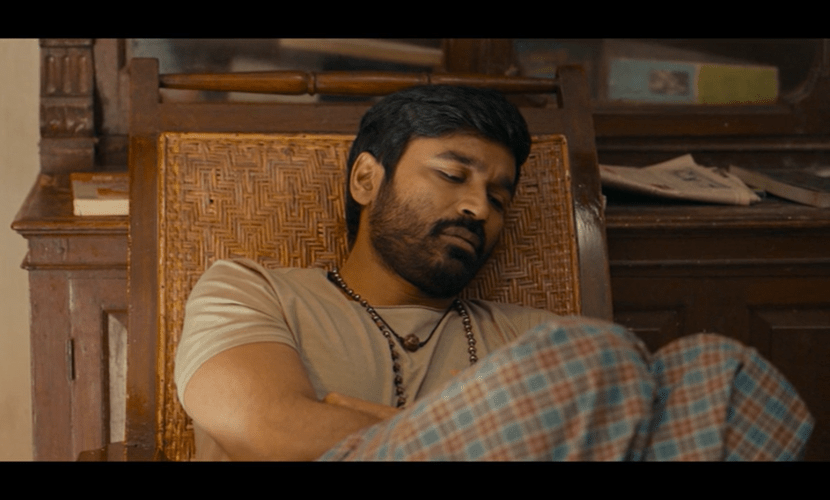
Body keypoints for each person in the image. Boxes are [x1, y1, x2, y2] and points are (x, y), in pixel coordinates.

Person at [174, 85, 814, 461]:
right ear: (367, 179)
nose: (478, 208)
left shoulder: (534, 337)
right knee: (600, 357)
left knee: (723, 371)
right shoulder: (253, 289)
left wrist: (358, 417)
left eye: (499, 197)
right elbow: (270, 430)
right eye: (452, 175)